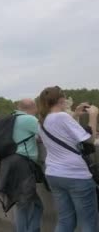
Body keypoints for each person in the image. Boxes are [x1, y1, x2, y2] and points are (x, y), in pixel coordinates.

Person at [37, 86, 98, 231]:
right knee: (88, 222)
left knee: (65, 220)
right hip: (75, 175)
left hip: (54, 174)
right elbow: (89, 139)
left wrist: (76, 115)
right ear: (61, 99)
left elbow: (63, 132)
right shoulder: (62, 116)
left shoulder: (42, 121)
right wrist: (93, 116)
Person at [12, 99, 43, 231]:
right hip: (24, 164)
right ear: (33, 107)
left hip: (11, 163)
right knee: (27, 204)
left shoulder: (12, 119)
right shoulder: (29, 119)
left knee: (26, 203)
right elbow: (49, 134)